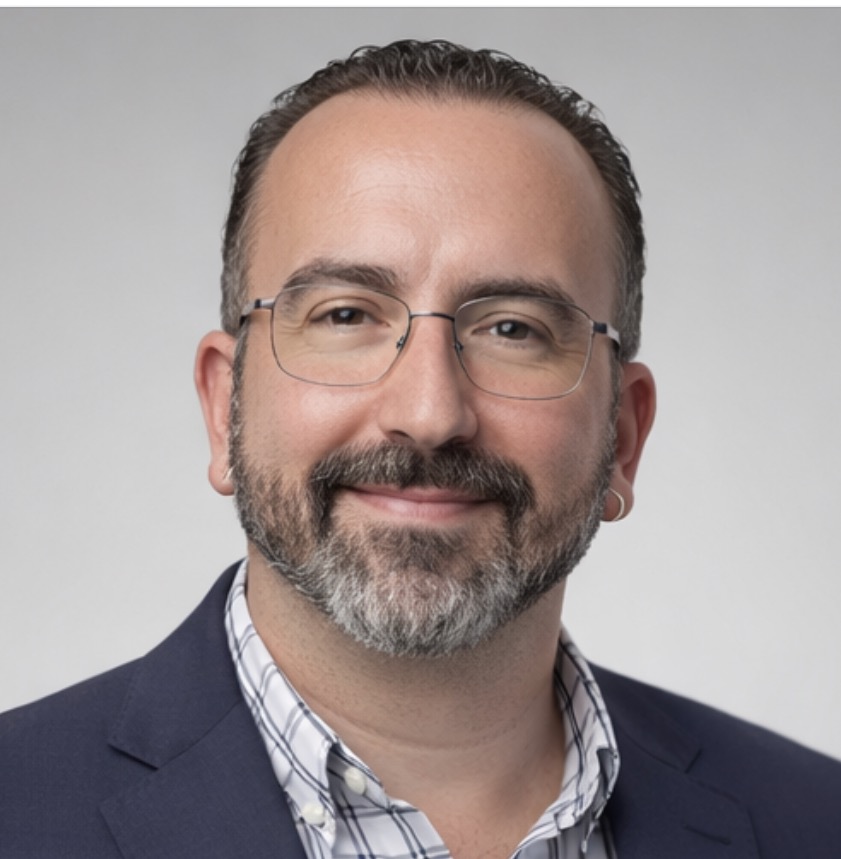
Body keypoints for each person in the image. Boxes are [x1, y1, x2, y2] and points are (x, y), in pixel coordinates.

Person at [1, 39, 839, 859]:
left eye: (512, 328)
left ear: (622, 436)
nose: (430, 411)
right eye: (345, 315)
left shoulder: (813, 820)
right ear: (225, 407)